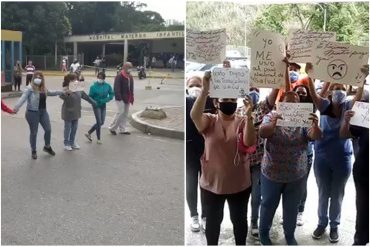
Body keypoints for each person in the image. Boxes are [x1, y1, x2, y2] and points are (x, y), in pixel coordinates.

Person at [190, 71, 256, 245]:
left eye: (233, 100)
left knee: (240, 223)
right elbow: (194, 116)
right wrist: (204, 90)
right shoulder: (209, 121)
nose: (229, 103)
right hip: (212, 185)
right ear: (216, 102)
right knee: (212, 225)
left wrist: (249, 116)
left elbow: (250, 141)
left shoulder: (243, 120)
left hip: (239, 185)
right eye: (225, 100)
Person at [306, 62, 366, 243]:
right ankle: (322, 223)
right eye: (335, 88)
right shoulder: (323, 105)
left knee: (338, 193)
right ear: (330, 92)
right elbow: (313, 94)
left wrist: (362, 78)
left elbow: (359, 96)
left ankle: (334, 225)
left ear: (347, 91)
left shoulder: (348, 106)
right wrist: (310, 75)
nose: (338, 90)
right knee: (324, 192)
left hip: (342, 158)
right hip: (322, 157)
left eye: (341, 88)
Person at [259, 89, 322, 245]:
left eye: (295, 100)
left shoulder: (304, 119)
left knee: (292, 207)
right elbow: (262, 133)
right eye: (288, 100)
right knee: (268, 205)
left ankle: (289, 235)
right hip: (272, 173)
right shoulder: (271, 116)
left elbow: (315, 136)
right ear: (281, 103)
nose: (292, 102)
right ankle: (263, 234)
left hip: (296, 174)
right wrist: (273, 124)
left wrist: (316, 126)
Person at [186, 75, 216, 232]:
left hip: (207, 152)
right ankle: (194, 215)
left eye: (198, 84)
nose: (195, 87)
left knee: (206, 186)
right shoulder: (186, 101)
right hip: (190, 152)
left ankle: (205, 215)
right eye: (191, 85)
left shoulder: (210, 101)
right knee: (191, 184)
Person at [340, 89, 369, 246]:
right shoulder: (365, 112)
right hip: (364, 172)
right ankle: (360, 240)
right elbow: (344, 135)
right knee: (363, 209)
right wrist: (346, 121)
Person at [13, 71, 62, 159]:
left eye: (40, 77)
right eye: (36, 77)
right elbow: (22, 99)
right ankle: (34, 150)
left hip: (43, 112)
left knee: (48, 129)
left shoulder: (43, 88)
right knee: (34, 132)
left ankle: (47, 146)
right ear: (33, 78)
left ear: (42, 79)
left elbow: (51, 92)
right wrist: (16, 108)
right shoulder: (29, 88)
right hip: (32, 113)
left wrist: (62, 92)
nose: (38, 79)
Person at [60, 73, 96, 151]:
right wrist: (68, 93)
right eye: (74, 79)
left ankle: (72, 142)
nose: (76, 81)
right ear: (69, 81)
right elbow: (61, 96)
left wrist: (93, 102)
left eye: (76, 79)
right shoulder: (66, 88)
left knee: (74, 128)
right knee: (68, 129)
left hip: (76, 112)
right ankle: (66, 144)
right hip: (68, 112)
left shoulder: (78, 88)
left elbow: (86, 97)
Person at [85, 72, 114, 144]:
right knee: (99, 122)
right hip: (96, 105)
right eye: (99, 77)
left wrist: (106, 100)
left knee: (102, 122)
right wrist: (93, 102)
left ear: (104, 79)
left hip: (103, 105)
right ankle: (98, 138)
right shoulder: (93, 87)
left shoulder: (107, 86)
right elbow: (89, 97)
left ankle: (89, 133)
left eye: (101, 78)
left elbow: (111, 94)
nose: (100, 79)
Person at [109, 62, 134, 135]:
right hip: (120, 98)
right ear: (124, 67)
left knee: (125, 114)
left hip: (128, 97)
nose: (130, 69)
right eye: (129, 67)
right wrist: (119, 97)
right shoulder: (119, 76)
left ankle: (122, 129)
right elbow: (116, 88)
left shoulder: (130, 76)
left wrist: (132, 96)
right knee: (120, 112)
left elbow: (131, 88)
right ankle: (112, 127)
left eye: (131, 67)